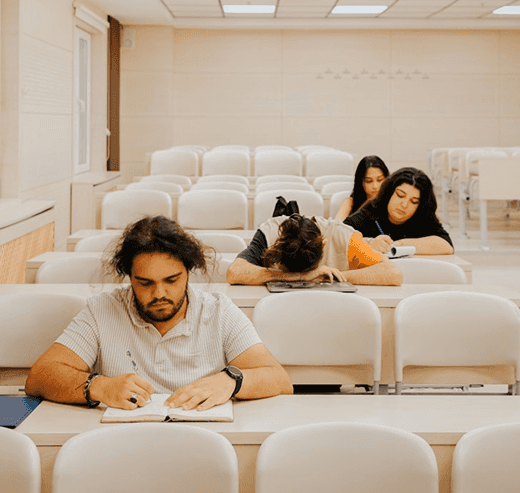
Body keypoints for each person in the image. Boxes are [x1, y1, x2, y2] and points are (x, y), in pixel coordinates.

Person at [25, 216, 293, 411]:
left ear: (189, 272)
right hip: (120, 444)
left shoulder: (219, 311)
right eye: (145, 283)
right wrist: (100, 387)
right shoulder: (102, 309)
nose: (159, 294)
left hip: (203, 441)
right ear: (129, 277)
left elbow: (278, 379)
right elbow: (40, 377)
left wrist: (231, 381)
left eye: (172, 280)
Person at [226, 212, 403, 286]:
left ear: (324, 244)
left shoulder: (344, 236)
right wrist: (299, 277)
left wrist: (329, 276)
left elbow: (393, 273)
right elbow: (235, 272)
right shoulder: (269, 232)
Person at [344, 167, 454, 255]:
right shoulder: (372, 211)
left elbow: (446, 245)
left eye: (414, 201)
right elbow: (338, 236)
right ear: (389, 193)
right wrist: (369, 243)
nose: (404, 205)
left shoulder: (422, 217)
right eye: (400, 195)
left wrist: (402, 244)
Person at [335, 155, 390, 221]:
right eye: (369, 181)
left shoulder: (393, 201)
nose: (375, 186)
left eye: (380, 180)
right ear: (361, 183)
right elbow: (336, 226)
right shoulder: (350, 203)